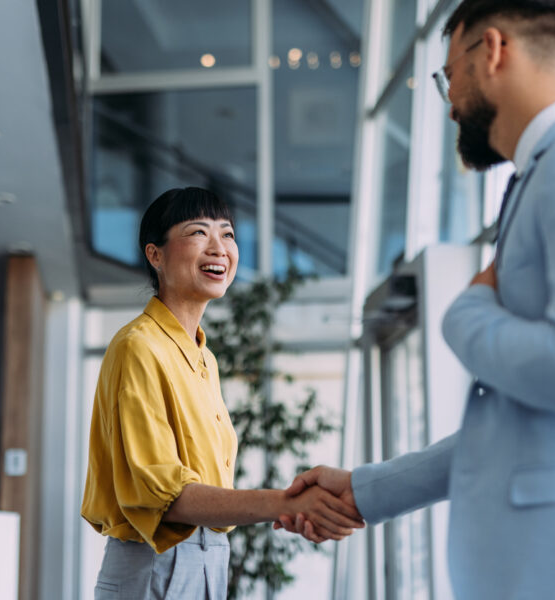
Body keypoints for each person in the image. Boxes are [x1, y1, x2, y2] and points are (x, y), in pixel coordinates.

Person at [278, 1, 555, 599]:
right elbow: (522, 424)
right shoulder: (549, 174)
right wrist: (368, 490)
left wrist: (465, 314)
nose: (449, 103)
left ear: (493, 50)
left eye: (450, 76)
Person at [81, 187, 363, 599]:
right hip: (155, 564)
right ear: (155, 255)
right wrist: (286, 502)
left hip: (210, 557)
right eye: (198, 232)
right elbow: (168, 495)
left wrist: (291, 508)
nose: (219, 248)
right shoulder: (138, 346)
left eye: (228, 234)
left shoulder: (204, 358)